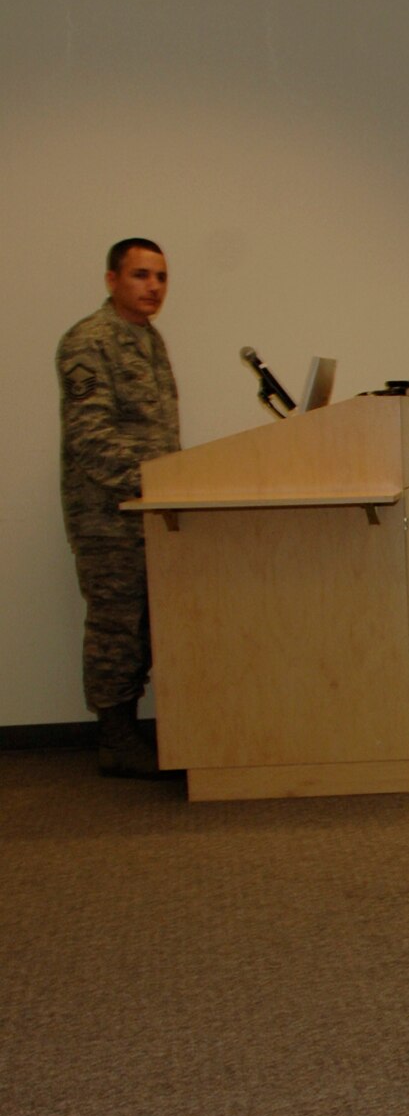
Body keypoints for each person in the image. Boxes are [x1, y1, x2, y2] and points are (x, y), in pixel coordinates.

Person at [58, 237, 180, 778]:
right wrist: (157, 482)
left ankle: (131, 730)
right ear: (112, 280)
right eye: (140, 275)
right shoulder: (89, 341)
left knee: (148, 622)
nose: (152, 286)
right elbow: (91, 439)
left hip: (150, 508)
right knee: (116, 624)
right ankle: (115, 735)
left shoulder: (150, 340)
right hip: (108, 514)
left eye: (159, 277)